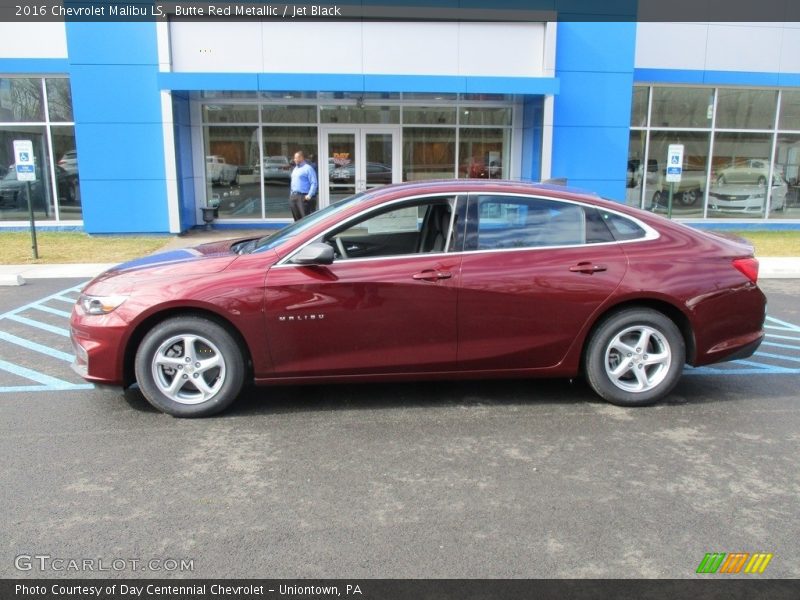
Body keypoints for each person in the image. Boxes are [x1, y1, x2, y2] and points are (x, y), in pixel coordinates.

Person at [288, 150, 318, 221]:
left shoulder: (308, 168)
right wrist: (291, 195)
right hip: (293, 197)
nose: (295, 159)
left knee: (305, 220)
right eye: (294, 158)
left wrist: (309, 195)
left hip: (303, 197)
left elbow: (314, 183)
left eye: (297, 158)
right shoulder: (295, 169)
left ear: (301, 158)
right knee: (296, 220)